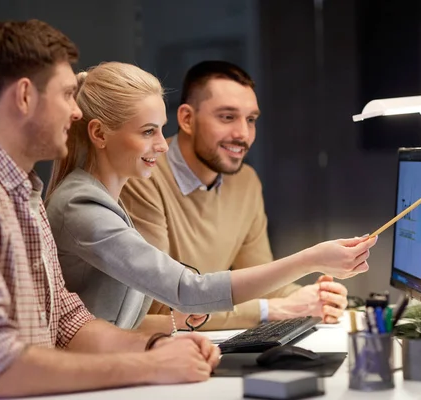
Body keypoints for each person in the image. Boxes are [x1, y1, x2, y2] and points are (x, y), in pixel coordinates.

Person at [0, 20, 221, 400]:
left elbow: (68, 323)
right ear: (24, 97)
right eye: (67, 94)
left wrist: (155, 348)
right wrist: (151, 367)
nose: (76, 113)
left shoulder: (20, 193)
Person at [44, 61, 377, 335]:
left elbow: (249, 280)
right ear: (100, 134)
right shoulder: (86, 204)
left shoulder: (106, 198)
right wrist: (309, 261)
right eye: (148, 132)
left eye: (251, 120)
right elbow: (183, 292)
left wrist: (309, 297)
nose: (161, 145)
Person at [119, 60, 352, 330]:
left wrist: (314, 298)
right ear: (186, 119)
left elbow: (263, 284)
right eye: (227, 117)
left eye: (250, 119)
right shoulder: (142, 177)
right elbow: (160, 309)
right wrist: (271, 309)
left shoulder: (246, 183)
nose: (243, 134)